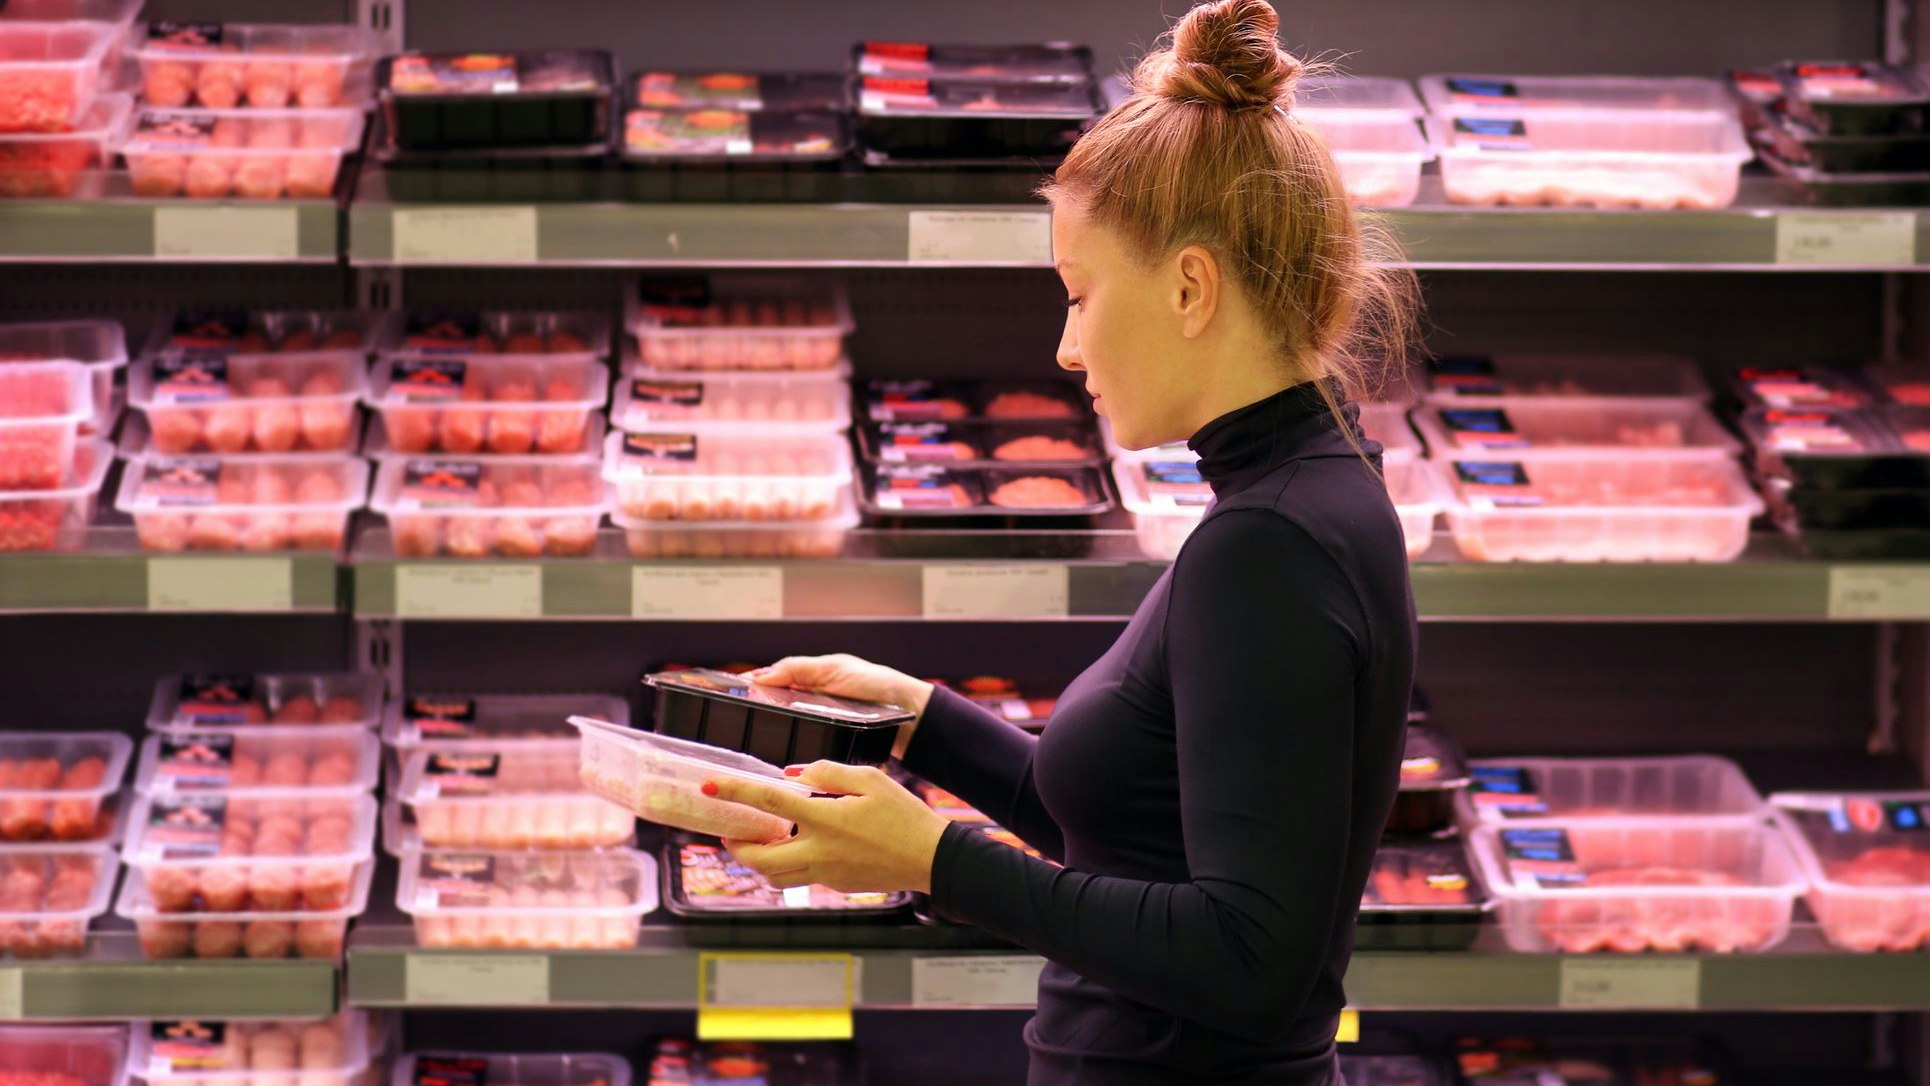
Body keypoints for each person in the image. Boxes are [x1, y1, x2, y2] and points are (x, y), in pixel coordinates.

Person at [702, 1, 1418, 1081]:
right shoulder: (1308, 495)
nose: (1067, 348)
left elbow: (1253, 960)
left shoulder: (1266, 546)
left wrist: (934, 858)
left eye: (1080, 298)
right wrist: (917, 720)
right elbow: (1128, 833)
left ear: (1188, 288)